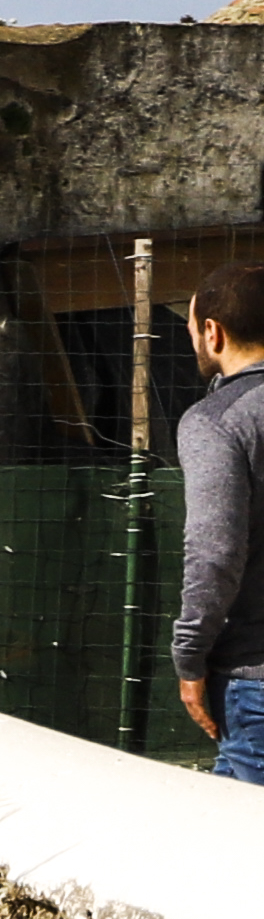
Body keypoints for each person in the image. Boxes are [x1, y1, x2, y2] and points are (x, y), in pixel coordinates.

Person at [178, 266, 264, 781]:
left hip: (254, 676)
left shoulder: (217, 420)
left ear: (213, 332)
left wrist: (189, 656)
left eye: (190, 327)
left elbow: (215, 553)